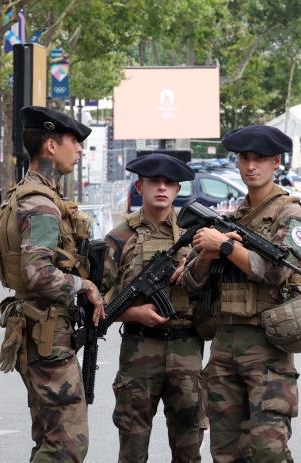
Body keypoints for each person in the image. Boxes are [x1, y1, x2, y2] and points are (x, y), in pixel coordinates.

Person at [179, 125, 301, 462]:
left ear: (276, 162)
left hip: (267, 348)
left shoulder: (291, 214)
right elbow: (191, 284)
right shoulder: (231, 218)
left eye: (260, 159)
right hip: (224, 347)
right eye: (244, 159)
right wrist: (207, 256)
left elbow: (278, 271)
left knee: (269, 451)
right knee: (226, 452)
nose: (251, 166)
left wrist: (224, 248)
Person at [0, 106, 104, 462]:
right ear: (51, 146)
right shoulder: (42, 204)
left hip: (35, 327)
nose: (80, 149)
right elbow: (37, 273)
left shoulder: (22, 193)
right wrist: (82, 285)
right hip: (47, 332)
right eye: (75, 141)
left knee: (47, 437)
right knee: (67, 443)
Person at [101, 153, 206, 462]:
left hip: (187, 349)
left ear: (177, 190)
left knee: (188, 449)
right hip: (138, 350)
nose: (161, 188)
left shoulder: (198, 239)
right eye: (154, 182)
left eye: (169, 183)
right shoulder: (119, 238)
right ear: (139, 186)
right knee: (132, 447)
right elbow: (96, 298)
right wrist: (133, 313)